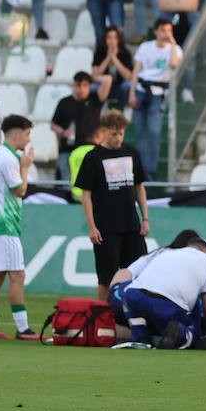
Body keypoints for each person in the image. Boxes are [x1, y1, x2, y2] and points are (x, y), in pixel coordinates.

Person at [74, 109, 149, 300]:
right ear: (104, 131)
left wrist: (145, 218)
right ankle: (102, 320)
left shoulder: (131, 152)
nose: (118, 138)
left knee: (139, 274)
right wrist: (92, 227)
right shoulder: (92, 157)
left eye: (121, 133)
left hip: (132, 225)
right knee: (106, 278)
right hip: (106, 228)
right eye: (114, 134)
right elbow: (86, 195)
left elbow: (139, 187)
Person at [0, 114, 39, 340]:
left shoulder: (0, 155)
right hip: (4, 225)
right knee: (17, 275)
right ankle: (23, 328)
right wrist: (25, 168)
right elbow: (20, 190)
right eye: (26, 134)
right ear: (15, 134)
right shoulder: (8, 159)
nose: (28, 139)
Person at [106, 231, 206, 348]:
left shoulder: (165, 253)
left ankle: (143, 337)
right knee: (193, 331)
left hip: (133, 297)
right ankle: (183, 336)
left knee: (140, 321)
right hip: (166, 304)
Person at [131, 18, 183, 179]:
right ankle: (139, 169)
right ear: (156, 31)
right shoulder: (145, 47)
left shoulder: (175, 49)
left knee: (153, 131)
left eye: (168, 30)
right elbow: (136, 70)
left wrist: (172, 43)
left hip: (158, 93)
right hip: (141, 89)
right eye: (162, 30)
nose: (165, 33)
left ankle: (150, 170)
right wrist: (131, 92)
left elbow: (174, 64)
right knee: (139, 132)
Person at [52, 72, 103, 181]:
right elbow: (53, 124)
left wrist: (93, 77)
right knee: (67, 183)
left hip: (89, 149)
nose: (81, 89)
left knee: (90, 182)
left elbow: (108, 81)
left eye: (85, 85)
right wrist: (63, 132)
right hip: (67, 150)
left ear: (90, 86)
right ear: (74, 85)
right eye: (78, 85)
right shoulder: (64, 102)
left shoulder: (94, 101)